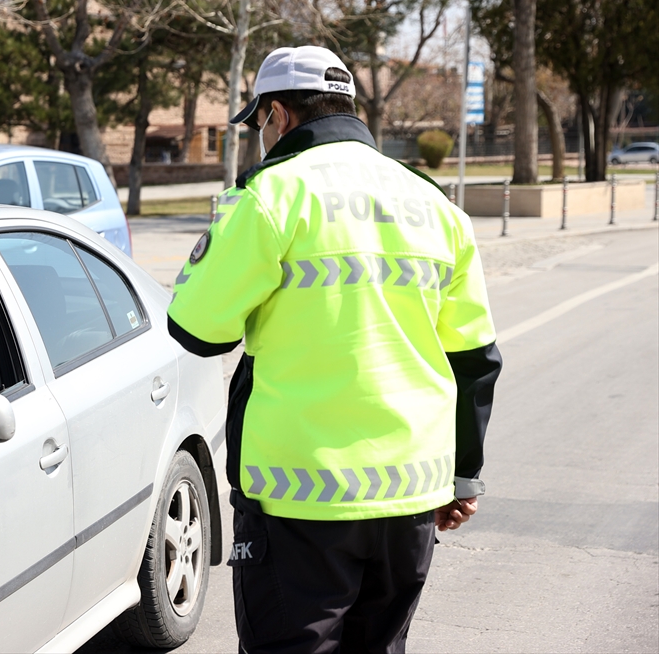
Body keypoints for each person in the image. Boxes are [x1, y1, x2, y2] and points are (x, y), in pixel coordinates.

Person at [166, 46, 501, 653]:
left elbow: (196, 328)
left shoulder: (269, 196)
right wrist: (462, 477)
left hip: (298, 497)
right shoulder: (435, 205)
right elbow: (475, 358)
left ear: (277, 114)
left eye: (259, 123)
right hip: (411, 494)